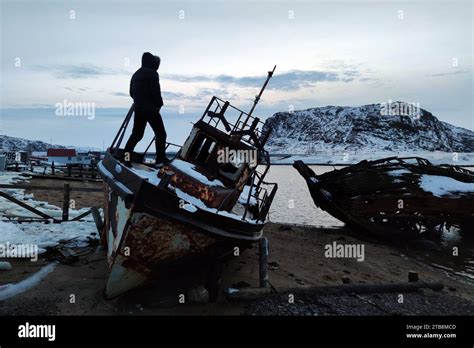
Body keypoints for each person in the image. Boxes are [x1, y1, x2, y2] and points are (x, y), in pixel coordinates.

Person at [123, 52, 168, 167]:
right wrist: (159, 104)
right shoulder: (153, 74)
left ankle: (126, 158)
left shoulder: (135, 74)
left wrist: (139, 102)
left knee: (136, 135)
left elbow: (131, 93)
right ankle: (160, 160)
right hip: (151, 110)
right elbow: (155, 92)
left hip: (138, 110)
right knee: (161, 134)